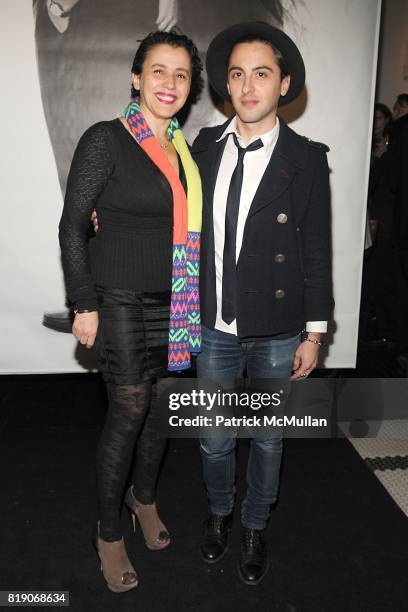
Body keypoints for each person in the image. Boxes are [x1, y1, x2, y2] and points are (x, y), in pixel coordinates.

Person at [58, 30, 203, 592]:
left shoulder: (184, 152)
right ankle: (109, 530)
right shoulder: (106, 139)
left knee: (164, 411)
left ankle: (145, 501)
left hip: (176, 302)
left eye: (182, 75)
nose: (170, 84)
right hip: (117, 296)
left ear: (190, 89)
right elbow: (73, 225)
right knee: (129, 411)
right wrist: (84, 302)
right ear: (136, 78)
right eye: (159, 71)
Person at [191, 22, 331, 585]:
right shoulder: (201, 147)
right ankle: (221, 514)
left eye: (262, 74)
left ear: (284, 84)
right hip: (213, 326)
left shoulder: (305, 158)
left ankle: (254, 523)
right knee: (214, 435)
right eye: (237, 75)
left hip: (277, 328)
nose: (248, 87)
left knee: (269, 436)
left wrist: (315, 333)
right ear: (227, 86)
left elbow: (317, 249)